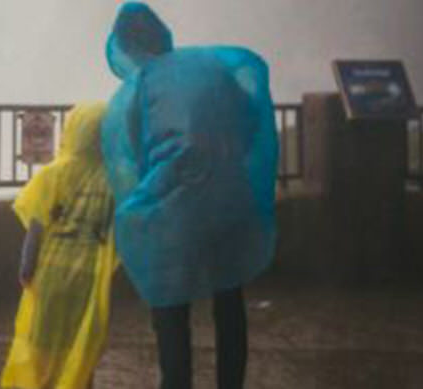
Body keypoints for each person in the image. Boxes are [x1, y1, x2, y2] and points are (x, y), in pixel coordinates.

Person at [100, 3, 279, 389]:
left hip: (174, 210)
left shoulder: (141, 86)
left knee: (170, 303)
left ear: (127, 47)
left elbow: (134, 154)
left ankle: (176, 383)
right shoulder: (213, 68)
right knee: (229, 297)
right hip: (230, 200)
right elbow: (249, 122)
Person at [0, 102, 119, 389]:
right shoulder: (115, 181)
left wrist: (26, 268)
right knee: (81, 345)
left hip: (50, 277)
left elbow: (36, 229)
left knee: (42, 344)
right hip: (88, 281)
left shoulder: (52, 174)